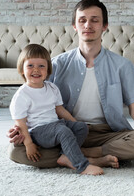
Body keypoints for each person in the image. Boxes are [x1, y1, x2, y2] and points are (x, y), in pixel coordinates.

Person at [7, 0, 134, 169]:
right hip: (66, 130)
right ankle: (87, 156)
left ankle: (81, 154)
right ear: (74, 25)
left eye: (95, 20)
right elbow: (36, 99)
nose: (88, 25)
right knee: (16, 151)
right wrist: (19, 129)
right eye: (82, 20)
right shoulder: (56, 64)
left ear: (104, 26)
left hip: (107, 133)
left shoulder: (122, 65)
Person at [10, 43, 104, 175]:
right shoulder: (22, 95)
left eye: (41, 66)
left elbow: (60, 110)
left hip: (55, 124)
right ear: (22, 70)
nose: (36, 70)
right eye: (30, 66)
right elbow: (21, 124)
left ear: (48, 70)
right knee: (63, 131)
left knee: (81, 127)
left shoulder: (52, 88)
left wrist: (75, 123)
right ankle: (82, 166)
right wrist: (29, 144)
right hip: (38, 131)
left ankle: (65, 156)